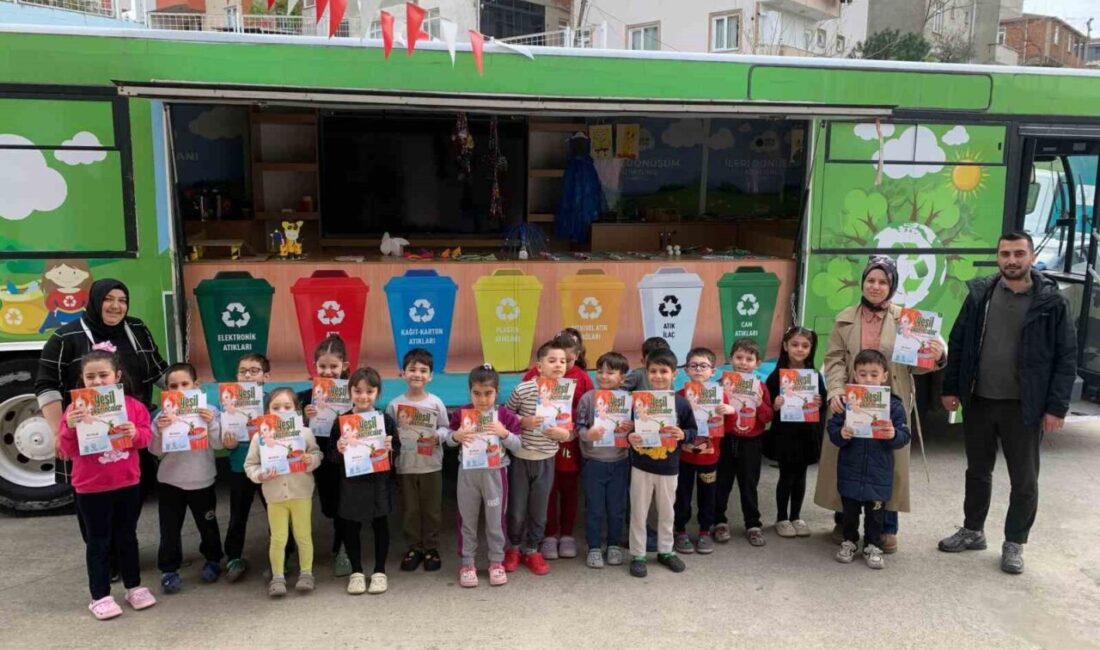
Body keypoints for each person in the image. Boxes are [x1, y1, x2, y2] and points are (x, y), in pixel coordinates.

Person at [938, 231, 1076, 574]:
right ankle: (973, 530)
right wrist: (951, 388)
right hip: (979, 400)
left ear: (1031, 257)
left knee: (1024, 480)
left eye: (1018, 254)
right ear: (998, 257)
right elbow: (958, 341)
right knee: (977, 471)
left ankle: (1015, 542)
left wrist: (1056, 407)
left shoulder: (1052, 302)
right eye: (1005, 254)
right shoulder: (980, 294)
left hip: (1024, 407)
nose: (1011, 261)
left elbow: (1066, 357)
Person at [815, 256, 946, 554]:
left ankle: (887, 527)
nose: (875, 286)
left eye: (883, 282)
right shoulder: (845, 318)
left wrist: (936, 356)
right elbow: (834, 359)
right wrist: (835, 390)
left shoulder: (908, 320)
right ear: (863, 283)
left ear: (892, 286)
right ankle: (844, 522)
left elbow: (916, 365)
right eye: (870, 280)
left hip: (891, 401)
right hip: (851, 401)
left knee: (888, 463)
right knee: (847, 456)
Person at [56, 348, 156, 620]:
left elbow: (146, 439)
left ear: (117, 376)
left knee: (127, 536)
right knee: (98, 541)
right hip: (91, 487)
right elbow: (66, 449)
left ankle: (134, 587)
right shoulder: (73, 410)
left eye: (104, 375)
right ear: (82, 379)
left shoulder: (133, 406)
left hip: (127, 483)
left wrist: (135, 433)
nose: (98, 381)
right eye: (91, 377)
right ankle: (99, 596)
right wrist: (70, 427)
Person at [828, 350, 911, 569]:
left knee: (876, 515)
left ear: (884, 376)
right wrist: (841, 433)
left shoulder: (893, 405)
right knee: (849, 512)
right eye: (863, 374)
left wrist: (893, 434)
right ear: (855, 375)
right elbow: (832, 429)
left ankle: (873, 545)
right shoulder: (848, 402)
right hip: (851, 469)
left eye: (874, 374)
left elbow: (904, 435)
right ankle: (849, 541)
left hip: (878, 473)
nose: (868, 379)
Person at [149, 363, 224, 593]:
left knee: (207, 525)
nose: (180, 390)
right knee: (169, 529)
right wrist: (158, 430)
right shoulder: (161, 416)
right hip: (170, 481)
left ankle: (213, 559)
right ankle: (169, 569)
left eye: (185, 384)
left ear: (196, 385)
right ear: (167, 390)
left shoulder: (210, 411)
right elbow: (155, 450)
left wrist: (211, 423)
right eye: (174, 386)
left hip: (202, 479)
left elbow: (219, 444)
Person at [446, 364, 523, 587]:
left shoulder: (504, 415)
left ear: (497, 392)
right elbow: (448, 439)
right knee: (467, 519)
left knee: (496, 520)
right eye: (477, 393)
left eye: (488, 393)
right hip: (468, 474)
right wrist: (457, 436)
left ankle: (496, 562)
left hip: (495, 474)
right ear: (470, 392)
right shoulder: (462, 414)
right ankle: (467, 563)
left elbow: (518, 445)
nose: (482, 399)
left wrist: (504, 433)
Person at [504, 339, 573, 576]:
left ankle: (532, 549)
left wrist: (565, 434)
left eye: (563, 361)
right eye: (552, 360)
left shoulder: (565, 391)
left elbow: (568, 427)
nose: (559, 365)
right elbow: (505, 416)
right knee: (516, 509)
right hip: (521, 457)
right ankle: (513, 547)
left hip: (546, 458)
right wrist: (522, 421)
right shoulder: (523, 389)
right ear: (539, 366)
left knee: (540, 510)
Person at [626, 349, 697, 578]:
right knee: (639, 512)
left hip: (669, 467)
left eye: (663, 371)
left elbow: (693, 431)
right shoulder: (637, 402)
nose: (658, 376)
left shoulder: (681, 404)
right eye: (653, 371)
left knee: (667, 512)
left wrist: (683, 434)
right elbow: (627, 429)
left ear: (674, 374)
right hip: (641, 465)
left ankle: (666, 551)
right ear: (647, 373)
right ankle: (638, 554)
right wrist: (630, 437)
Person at [244, 388, 321, 597]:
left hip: (301, 493)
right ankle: (278, 577)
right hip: (275, 496)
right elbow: (250, 465)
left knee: (303, 536)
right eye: (276, 407)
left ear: (297, 410)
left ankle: (306, 574)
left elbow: (317, 454)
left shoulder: (304, 433)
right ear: (267, 411)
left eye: (287, 407)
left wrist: (310, 460)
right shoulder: (259, 437)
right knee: (278, 538)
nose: (281, 411)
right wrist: (260, 475)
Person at [335, 367, 399, 595]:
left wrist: (391, 448)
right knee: (350, 528)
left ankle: (380, 571)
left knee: (380, 525)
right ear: (349, 392)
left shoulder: (384, 420)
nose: (363, 396)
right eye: (358, 391)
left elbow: (397, 450)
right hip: (351, 485)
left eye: (369, 391)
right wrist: (339, 449)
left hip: (377, 483)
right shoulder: (341, 421)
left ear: (378, 393)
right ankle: (356, 572)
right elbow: (331, 456)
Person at [386, 348, 449, 573]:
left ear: (430, 376)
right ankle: (414, 547)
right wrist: (391, 441)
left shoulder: (435, 403)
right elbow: (389, 434)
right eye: (412, 369)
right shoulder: (394, 405)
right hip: (405, 466)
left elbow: (446, 428)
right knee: (410, 510)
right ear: (403, 373)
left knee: (432, 510)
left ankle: (431, 547)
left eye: (423, 370)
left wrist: (437, 437)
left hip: (431, 465)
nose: (417, 374)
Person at [299, 334, 352, 577]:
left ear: (345, 366)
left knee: (344, 503)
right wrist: (305, 416)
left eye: (334, 366)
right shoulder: (305, 397)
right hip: (320, 456)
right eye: (322, 366)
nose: (328, 371)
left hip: (344, 457)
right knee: (329, 506)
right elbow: (294, 430)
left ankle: (343, 548)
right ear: (314, 366)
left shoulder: (353, 392)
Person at [574, 352, 633, 569]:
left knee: (617, 507)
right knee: (594, 507)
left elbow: (638, 429)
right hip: (593, 462)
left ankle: (614, 544)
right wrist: (588, 434)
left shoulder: (629, 400)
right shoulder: (588, 398)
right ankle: (594, 547)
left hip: (620, 461)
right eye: (600, 372)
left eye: (610, 372)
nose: (604, 376)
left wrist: (632, 427)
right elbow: (578, 427)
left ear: (622, 377)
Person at [766, 327, 826, 539]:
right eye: (795, 344)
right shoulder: (776, 376)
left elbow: (823, 403)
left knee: (801, 476)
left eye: (805, 346)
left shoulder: (814, 376)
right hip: (785, 435)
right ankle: (782, 518)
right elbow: (765, 405)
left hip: (806, 434)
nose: (800, 349)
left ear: (811, 349)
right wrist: (775, 404)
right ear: (785, 346)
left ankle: (796, 516)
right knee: (786, 476)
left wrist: (819, 402)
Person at [713, 339, 774, 547]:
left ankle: (753, 524)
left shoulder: (761, 387)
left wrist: (759, 402)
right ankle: (719, 521)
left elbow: (767, 417)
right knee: (722, 483)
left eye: (749, 359)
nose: (743, 362)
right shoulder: (720, 384)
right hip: (725, 439)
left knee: (749, 484)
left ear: (758, 363)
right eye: (739, 357)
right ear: (730, 359)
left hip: (751, 443)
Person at [673, 347, 731, 555]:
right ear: (686, 370)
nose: (698, 369)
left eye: (703, 366)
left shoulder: (721, 397)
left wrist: (729, 411)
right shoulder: (679, 396)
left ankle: (705, 530)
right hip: (683, 457)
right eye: (694, 365)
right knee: (682, 494)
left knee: (708, 495)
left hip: (709, 457)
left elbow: (728, 427)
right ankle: (680, 530)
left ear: (713, 371)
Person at [222, 353, 270, 583]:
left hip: (269, 467)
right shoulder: (228, 403)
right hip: (239, 466)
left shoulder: (273, 401)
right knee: (237, 515)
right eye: (243, 371)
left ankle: (281, 557)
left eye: (254, 371)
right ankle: (233, 557)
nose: (248, 375)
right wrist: (228, 443)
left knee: (275, 513)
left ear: (266, 377)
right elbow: (222, 438)